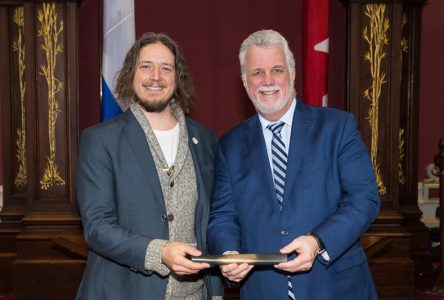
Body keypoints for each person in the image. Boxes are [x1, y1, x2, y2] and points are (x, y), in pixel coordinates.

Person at [207, 29, 380, 299]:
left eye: (277, 70)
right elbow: (222, 216)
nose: (267, 81)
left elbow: (364, 198)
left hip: (335, 286)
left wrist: (317, 241)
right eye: (257, 72)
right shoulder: (229, 145)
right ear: (244, 81)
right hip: (264, 290)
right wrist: (229, 254)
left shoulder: (337, 127)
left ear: (292, 73)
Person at [76, 32, 223, 299]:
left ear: (177, 79)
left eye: (166, 68)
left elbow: (215, 217)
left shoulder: (205, 139)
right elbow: (97, 227)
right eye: (146, 67)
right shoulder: (100, 140)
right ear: (131, 74)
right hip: (124, 291)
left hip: (196, 292)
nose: (156, 77)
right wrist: (160, 253)